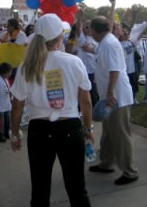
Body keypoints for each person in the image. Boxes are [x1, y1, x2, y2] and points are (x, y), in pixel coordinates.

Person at [10, 14, 93, 207]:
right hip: (70, 128)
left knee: (40, 190)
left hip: (39, 130)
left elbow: (17, 105)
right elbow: (86, 101)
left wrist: (15, 134)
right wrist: (88, 129)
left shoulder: (26, 66)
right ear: (60, 38)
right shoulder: (74, 62)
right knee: (77, 188)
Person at [89, 14, 139, 185]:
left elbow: (115, 70)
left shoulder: (109, 43)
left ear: (95, 30)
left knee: (121, 134)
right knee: (109, 133)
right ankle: (106, 162)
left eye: (90, 29)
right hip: (111, 96)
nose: (89, 32)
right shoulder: (106, 42)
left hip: (117, 96)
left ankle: (130, 171)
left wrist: (110, 93)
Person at [75, 10, 99, 106]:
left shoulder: (97, 39)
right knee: (84, 92)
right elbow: (77, 28)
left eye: (90, 26)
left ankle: (95, 113)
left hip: (94, 71)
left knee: (94, 92)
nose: (88, 28)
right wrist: (79, 18)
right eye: (86, 26)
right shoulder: (82, 39)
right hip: (83, 71)